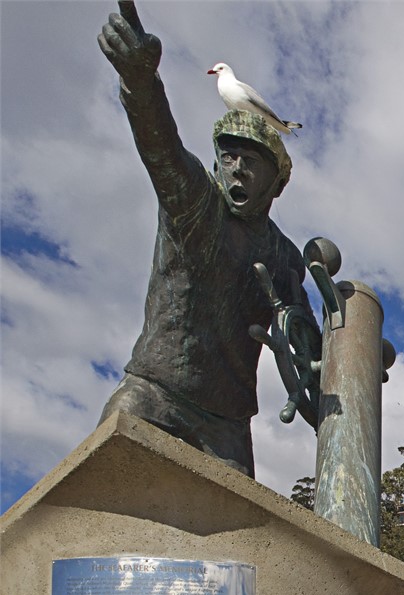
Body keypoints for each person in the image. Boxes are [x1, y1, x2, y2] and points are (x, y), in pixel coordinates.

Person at [97, 0, 315, 477]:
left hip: (227, 422)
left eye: (251, 161)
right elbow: (160, 145)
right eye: (228, 157)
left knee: (242, 522)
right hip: (152, 390)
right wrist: (141, 84)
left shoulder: (284, 257)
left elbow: (308, 351)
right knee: (101, 485)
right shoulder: (195, 200)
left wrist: (350, 351)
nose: (235, 169)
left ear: (277, 182)